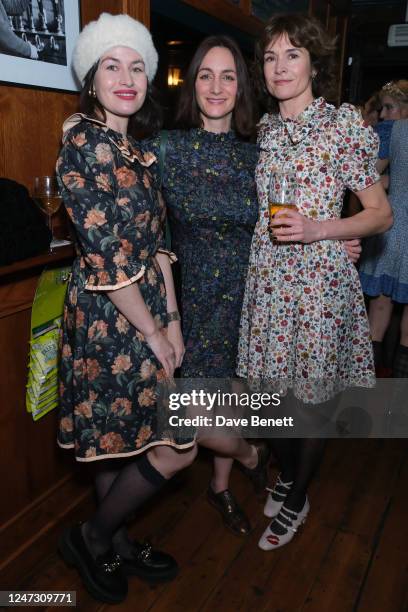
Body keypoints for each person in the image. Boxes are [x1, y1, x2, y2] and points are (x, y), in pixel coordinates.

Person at [56, 14, 264, 603]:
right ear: (91, 77)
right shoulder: (84, 141)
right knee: (176, 444)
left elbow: (157, 248)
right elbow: (109, 258)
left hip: (148, 311)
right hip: (111, 317)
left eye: (137, 66)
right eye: (111, 66)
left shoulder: (132, 149)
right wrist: (154, 329)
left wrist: (170, 320)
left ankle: (112, 537)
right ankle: (93, 537)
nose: (126, 77)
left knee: (122, 439)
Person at [143, 34, 363, 538]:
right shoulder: (168, 148)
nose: (216, 86)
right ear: (191, 84)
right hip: (195, 299)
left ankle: (220, 487)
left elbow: (322, 185)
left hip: (259, 296)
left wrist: (337, 237)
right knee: (194, 411)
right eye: (205, 75)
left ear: (242, 85)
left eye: (228, 75)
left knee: (248, 401)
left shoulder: (259, 143)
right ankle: (248, 454)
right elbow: (121, 165)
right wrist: (82, 124)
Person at [236, 13, 392, 551]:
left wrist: (323, 229)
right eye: (271, 57)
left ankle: (298, 496)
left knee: (313, 402)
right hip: (269, 282)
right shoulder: (265, 129)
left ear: (313, 62)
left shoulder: (343, 124)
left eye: (292, 55)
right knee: (277, 401)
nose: (280, 67)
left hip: (319, 286)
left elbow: (380, 213)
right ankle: (286, 472)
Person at [359, 81, 408, 375]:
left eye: (390, 107)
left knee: (377, 311)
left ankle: (366, 400)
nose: (386, 114)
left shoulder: (393, 132)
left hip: (394, 225)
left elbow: (367, 176)